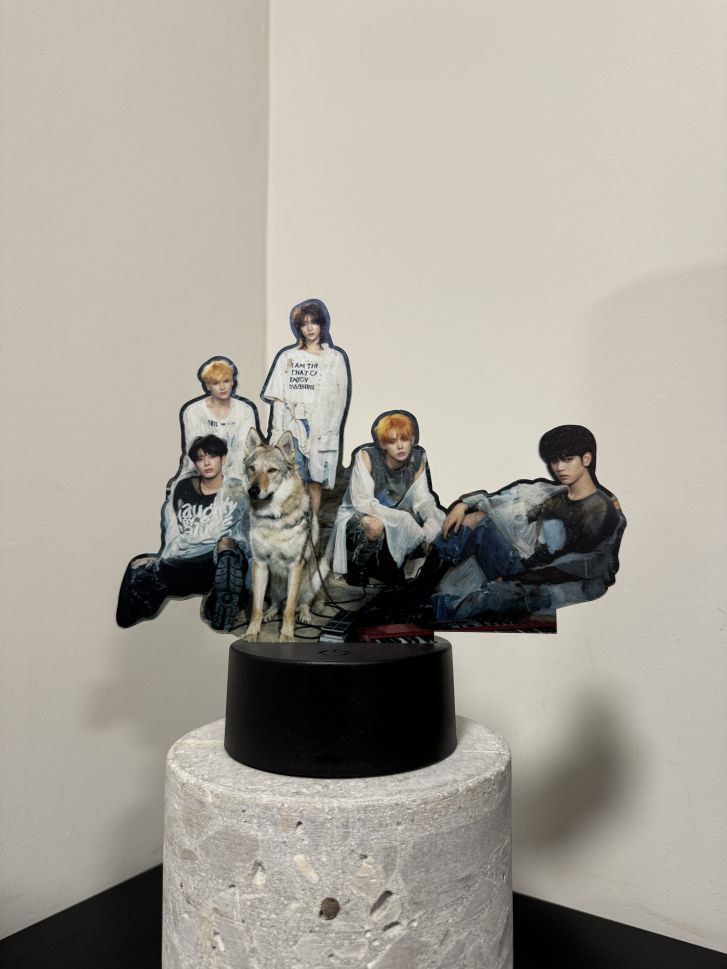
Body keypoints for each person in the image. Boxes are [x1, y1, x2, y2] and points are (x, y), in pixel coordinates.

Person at [417, 425, 625, 620]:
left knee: (492, 598)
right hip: (524, 571)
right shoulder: (555, 494)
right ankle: (419, 590)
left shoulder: (600, 510)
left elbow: (574, 569)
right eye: (554, 461)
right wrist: (464, 504)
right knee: (476, 520)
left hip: (554, 587)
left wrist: (516, 580)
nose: (559, 468)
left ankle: (431, 611)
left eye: (567, 460)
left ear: (586, 459)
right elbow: (509, 501)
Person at [117, 435, 249, 632]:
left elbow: (247, 533)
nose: (206, 463)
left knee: (227, 546)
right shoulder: (184, 487)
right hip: (186, 561)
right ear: (195, 464)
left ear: (223, 458)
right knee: (138, 567)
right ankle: (133, 624)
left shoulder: (236, 490)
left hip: (217, 561)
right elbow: (172, 528)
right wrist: (163, 560)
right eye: (200, 458)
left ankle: (226, 601)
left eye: (212, 456)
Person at [327, 411, 444, 586]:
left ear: (412, 439)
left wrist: (431, 524)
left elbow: (423, 499)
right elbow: (361, 501)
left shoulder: (417, 458)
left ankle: (388, 565)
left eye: (404, 439)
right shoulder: (366, 456)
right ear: (383, 444)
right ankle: (357, 565)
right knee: (376, 526)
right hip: (361, 513)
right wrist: (401, 519)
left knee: (433, 520)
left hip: (395, 513)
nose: (400, 446)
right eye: (392, 441)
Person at [261, 299, 349, 516]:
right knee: (293, 477)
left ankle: (313, 524)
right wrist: (277, 431)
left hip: (320, 427)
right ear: (298, 328)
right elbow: (279, 399)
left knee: (316, 480)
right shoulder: (287, 357)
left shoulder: (334, 359)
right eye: (304, 323)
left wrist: (328, 431)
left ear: (322, 324)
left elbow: (338, 401)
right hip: (292, 427)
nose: (309, 328)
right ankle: (294, 522)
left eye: (314, 322)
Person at [177, 357, 259, 480]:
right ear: (207, 386)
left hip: (237, 474)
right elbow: (194, 450)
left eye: (226, 381)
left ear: (232, 382)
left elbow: (244, 450)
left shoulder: (245, 410)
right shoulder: (194, 411)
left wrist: (230, 478)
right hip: (201, 473)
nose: (222, 387)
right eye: (215, 383)